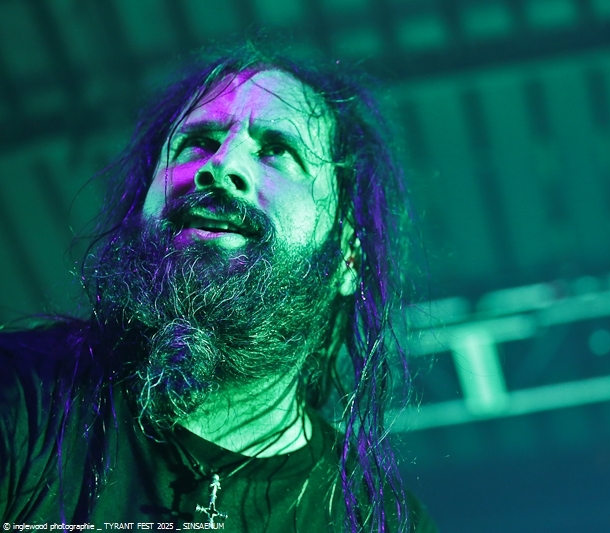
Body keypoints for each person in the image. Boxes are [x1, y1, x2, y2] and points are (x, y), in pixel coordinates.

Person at [0, 39, 435, 533]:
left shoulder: (379, 520)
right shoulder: (20, 396)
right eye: (199, 143)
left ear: (347, 257)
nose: (222, 166)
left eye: (277, 151)